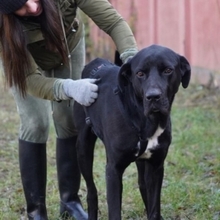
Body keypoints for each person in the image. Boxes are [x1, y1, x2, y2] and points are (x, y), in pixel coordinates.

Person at [0, 0, 138, 219]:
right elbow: (30, 80)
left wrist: (132, 61)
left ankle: (70, 201)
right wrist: (68, 87)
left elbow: (113, 22)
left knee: (70, 118)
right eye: (22, 7)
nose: (33, 8)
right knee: (35, 124)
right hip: (24, 60)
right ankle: (36, 210)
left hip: (66, 44)